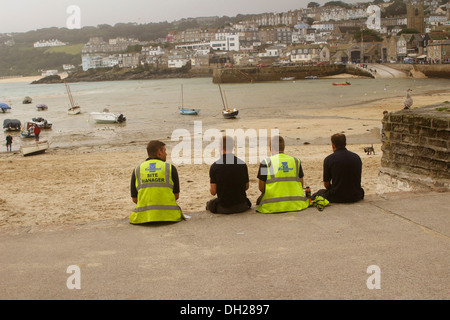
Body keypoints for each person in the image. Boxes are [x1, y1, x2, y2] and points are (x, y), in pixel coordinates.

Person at [130, 140, 184, 224]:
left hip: (143, 218)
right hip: (170, 217)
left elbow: (135, 199)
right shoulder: (170, 168)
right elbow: (176, 196)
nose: (166, 154)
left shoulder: (137, 169)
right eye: (165, 151)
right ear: (159, 152)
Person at [256, 135, 310, 213]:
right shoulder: (296, 161)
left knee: (259, 200)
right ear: (284, 147)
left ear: (271, 147)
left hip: (273, 205)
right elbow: (301, 184)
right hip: (297, 203)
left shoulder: (266, 162)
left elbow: (261, 188)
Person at [206, 136, 251, 214]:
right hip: (242, 205)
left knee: (209, 204)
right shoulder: (242, 164)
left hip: (224, 207)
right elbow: (246, 187)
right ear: (232, 147)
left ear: (220, 147)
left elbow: (213, 192)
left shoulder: (215, 166)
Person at [317, 133, 364, 203]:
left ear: (333, 145)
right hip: (356, 195)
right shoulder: (356, 157)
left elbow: (326, 184)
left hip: (338, 196)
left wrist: (335, 187)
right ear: (345, 144)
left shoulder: (329, 159)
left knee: (319, 193)